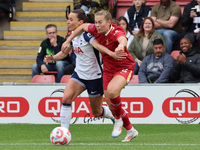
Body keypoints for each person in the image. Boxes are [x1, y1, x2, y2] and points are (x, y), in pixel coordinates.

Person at [62, 10, 139, 142]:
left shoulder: (116, 32)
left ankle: (118, 120)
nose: (97, 25)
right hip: (108, 70)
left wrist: (121, 46)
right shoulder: (94, 29)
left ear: (108, 22)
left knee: (113, 91)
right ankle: (131, 130)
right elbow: (82, 27)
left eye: (100, 23)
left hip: (124, 67)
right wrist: (68, 40)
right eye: (96, 22)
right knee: (111, 105)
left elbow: (122, 38)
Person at [46, 9, 127, 131]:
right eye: (68, 19)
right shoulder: (72, 36)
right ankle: (64, 131)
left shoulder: (87, 35)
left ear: (81, 22)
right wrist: (53, 58)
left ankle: (112, 115)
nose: (68, 22)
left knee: (97, 111)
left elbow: (98, 46)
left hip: (95, 77)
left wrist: (112, 54)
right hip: (79, 74)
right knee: (66, 98)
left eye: (71, 19)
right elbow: (64, 54)